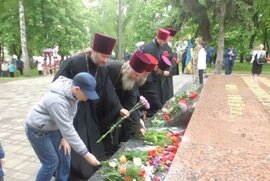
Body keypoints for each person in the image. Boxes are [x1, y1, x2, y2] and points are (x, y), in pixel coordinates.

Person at [53, 32, 129, 180]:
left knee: (94, 143)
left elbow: (107, 90)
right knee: (74, 146)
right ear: (94, 51)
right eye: (104, 56)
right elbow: (58, 85)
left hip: (90, 113)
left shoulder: (102, 68)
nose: (106, 60)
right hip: (72, 111)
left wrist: (119, 108)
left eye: (108, 57)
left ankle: (91, 172)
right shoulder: (73, 62)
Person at [25, 72, 101, 181]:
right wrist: (86, 154)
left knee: (65, 157)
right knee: (51, 163)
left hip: (55, 127)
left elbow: (70, 116)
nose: (87, 98)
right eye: (86, 94)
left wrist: (64, 138)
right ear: (77, 89)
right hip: (38, 131)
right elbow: (68, 129)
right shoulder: (56, 101)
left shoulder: (73, 93)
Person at [105, 50, 151, 155]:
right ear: (127, 68)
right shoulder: (111, 67)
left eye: (139, 75)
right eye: (135, 74)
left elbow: (131, 104)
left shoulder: (132, 81)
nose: (136, 78)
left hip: (114, 110)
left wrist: (138, 125)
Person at [161, 27, 179, 103]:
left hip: (169, 71)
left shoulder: (168, 45)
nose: (171, 39)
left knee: (169, 89)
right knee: (165, 91)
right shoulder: (163, 45)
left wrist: (175, 58)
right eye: (170, 37)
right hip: (164, 71)